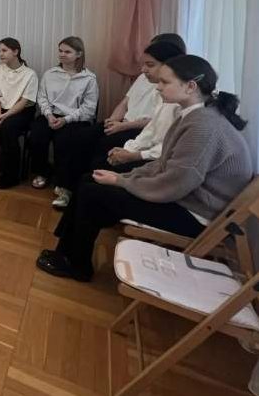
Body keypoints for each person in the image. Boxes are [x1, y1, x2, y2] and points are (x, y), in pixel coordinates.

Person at [36, 55, 252, 282]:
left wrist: (121, 181)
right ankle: (67, 252)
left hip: (195, 215)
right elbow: (164, 164)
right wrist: (124, 176)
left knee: (93, 192)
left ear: (190, 87)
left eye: (165, 82)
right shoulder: (194, 115)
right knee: (89, 179)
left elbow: (176, 182)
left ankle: (77, 265)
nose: (158, 87)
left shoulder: (203, 126)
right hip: (186, 198)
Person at [29, 36, 98, 208]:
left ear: (79, 54)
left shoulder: (89, 78)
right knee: (37, 136)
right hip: (50, 116)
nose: (62, 54)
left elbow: (89, 109)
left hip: (74, 119)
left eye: (67, 52)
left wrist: (66, 120)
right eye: (60, 51)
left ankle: (65, 186)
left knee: (66, 142)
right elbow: (42, 98)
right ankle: (43, 172)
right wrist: (48, 115)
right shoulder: (50, 74)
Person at [95, 41, 184, 173]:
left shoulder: (177, 105)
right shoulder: (162, 95)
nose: (143, 70)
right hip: (143, 144)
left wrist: (132, 155)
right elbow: (150, 130)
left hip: (157, 159)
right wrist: (128, 149)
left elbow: (166, 147)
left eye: (150, 65)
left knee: (100, 163)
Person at [0, 38, 38, 189]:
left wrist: (6, 116)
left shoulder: (30, 74)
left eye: (4, 50)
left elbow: (24, 102)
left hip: (21, 110)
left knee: (7, 129)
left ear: (16, 52)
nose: (0, 54)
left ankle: (9, 177)